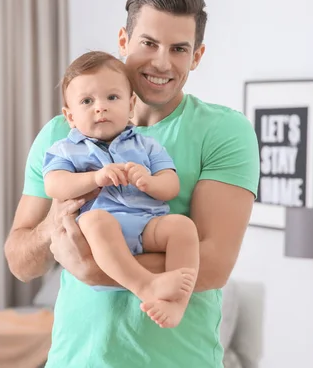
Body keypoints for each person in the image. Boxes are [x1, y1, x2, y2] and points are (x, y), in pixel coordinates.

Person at [5, 0, 260, 367]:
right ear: (124, 41)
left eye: (179, 49)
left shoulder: (223, 131)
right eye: (149, 43)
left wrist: (92, 267)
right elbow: (21, 260)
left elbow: (212, 265)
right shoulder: (62, 136)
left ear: (197, 55)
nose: (162, 61)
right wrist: (51, 230)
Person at [42, 50, 199, 329]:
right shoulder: (65, 149)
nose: (100, 107)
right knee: (93, 219)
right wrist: (95, 178)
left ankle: (176, 304)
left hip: (146, 225)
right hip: (100, 235)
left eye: (111, 98)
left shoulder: (146, 145)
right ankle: (145, 285)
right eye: (87, 101)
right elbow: (54, 184)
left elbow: (171, 184)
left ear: (130, 105)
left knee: (182, 227)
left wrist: (149, 182)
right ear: (70, 116)